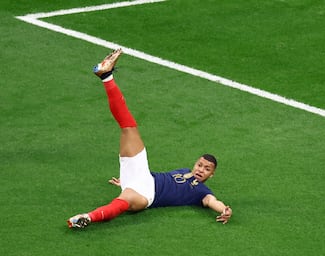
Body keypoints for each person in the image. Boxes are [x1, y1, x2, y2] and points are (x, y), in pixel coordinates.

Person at [67, 49, 232, 228]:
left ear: (212, 174)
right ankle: (106, 76)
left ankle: (87, 218)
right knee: (128, 128)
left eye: (207, 169)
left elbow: (211, 201)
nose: (201, 170)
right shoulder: (182, 170)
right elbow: (161, 180)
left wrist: (223, 209)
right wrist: (127, 179)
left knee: (122, 203)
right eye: (200, 165)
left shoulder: (201, 191)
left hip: (146, 195)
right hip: (142, 175)